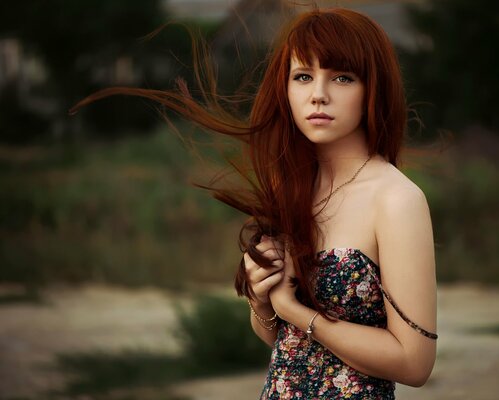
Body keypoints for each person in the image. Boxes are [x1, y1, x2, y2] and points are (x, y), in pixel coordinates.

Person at [71, 7, 437, 400]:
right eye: (303, 76)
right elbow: (282, 340)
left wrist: (298, 312)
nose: (318, 94)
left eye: (342, 77)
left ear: (373, 88)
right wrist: (262, 302)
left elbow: (415, 363)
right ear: (286, 88)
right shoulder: (295, 188)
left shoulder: (397, 200)